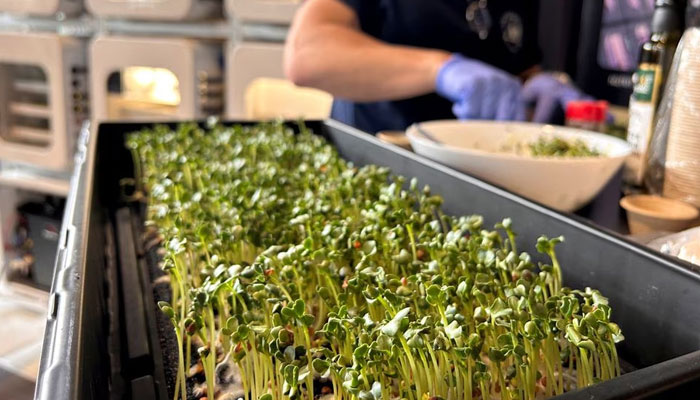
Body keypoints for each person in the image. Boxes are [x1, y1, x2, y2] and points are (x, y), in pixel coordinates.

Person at [284, 0, 590, 134]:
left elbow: (518, 68)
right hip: (382, 164)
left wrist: (536, 86)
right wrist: (441, 70)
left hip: (481, 179)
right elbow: (307, 55)